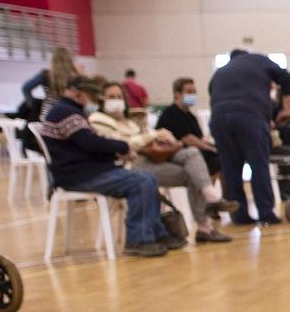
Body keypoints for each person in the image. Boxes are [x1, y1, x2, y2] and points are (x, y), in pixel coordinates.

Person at [39, 77, 184, 258]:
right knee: (140, 182)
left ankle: (156, 234)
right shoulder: (66, 113)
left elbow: (87, 145)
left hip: (85, 171)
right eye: (90, 95)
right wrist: (122, 148)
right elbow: (90, 143)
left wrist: (114, 152)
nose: (91, 99)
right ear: (79, 93)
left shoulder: (68, 111)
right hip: (78, 175)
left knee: (147, 178)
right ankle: (138, 240)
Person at [91, 80, 229, 243]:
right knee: (194, 169)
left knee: (192, 159)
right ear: (102, 99)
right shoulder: (98, 119)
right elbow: (124, 143)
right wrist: (153, 135)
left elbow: (143, 138)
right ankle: (206, 218)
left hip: (153, 159)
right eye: (112, 96)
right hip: (133, 166)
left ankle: (208, 208)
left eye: (120, 96)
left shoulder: (128, 121)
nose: (117, 100)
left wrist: (156, 136)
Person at [208, 46, 290, 226]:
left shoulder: (220, 72)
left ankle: (239, 215)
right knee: (258, 164)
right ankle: (266, 212)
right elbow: (287, 77)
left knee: (230, 168)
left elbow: (212, 92)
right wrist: (287, 109)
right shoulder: (258, 60)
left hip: (218, 119)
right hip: (249, 117)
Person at [156, 77, 219, 177]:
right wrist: (209, 148)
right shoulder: (171, 112)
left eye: (194, 92)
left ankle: (225, 191)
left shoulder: (191, 116)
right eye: (189, 92)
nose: (193, 95)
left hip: (192, 151)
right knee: (216, 158)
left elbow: (199, 139)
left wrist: (213, 146)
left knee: (222, 156)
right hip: (173, 153)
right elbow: (189, 139)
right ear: (177, 94)